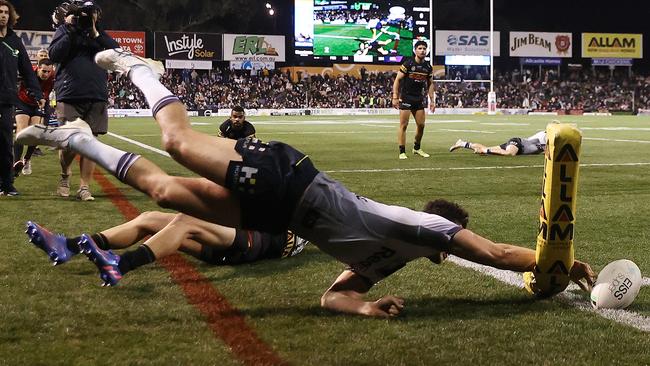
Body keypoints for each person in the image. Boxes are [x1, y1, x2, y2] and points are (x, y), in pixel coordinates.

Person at [17, 49, 595, 312]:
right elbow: (495, 253)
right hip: (293, 182)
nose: (453, 247)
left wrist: (366, 308)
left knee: (165, 193)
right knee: (176, 144)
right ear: (447, 233)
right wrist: (557, 262)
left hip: (280, 215)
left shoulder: (385, 262)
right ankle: (144, 72)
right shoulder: (426, 227)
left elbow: (334, 295)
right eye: (453, 239)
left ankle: (72, 138)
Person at [25, 211, 308, 284]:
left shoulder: (306, 215)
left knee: (183, 222)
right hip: (236, 242)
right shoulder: (317, 217)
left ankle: (120, 265)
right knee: (150, 220)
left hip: (249, 243)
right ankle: (67, 246)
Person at [48, 0, 119, 201]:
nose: (89, 17)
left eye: (93, 13)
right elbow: (54, 54)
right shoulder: (65, 29)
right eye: (87, 14)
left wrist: (96, 32)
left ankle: (84, 187)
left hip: (96, 94)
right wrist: (71, 29)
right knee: (71, 143)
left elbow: (117, 53)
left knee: (90, 143)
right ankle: (65, 174)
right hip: (70, 93)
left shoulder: (100, 35)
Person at [0, 0, 44, 195]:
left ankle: (7, 184)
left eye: (5, 13)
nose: (2, 15)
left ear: (10, 16)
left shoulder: (15, 42)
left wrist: (38, 94)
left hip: (7, 100)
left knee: (6, 143)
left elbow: (27, 70)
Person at [392, 40, 435, 160]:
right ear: (415, 50)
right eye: (420, 48)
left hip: (418, 99)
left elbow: (430, 84)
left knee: (421, 125)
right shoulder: (408, 64)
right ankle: (402, 151)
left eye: (424, 48)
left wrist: (432, 100)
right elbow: (397, 80)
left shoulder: (427, 67)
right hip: (406, 97)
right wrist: (395, 97)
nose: (422, 50)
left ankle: (416, 148)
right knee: (403, 125)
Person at [13, 58, 55, 177]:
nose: (46, 74)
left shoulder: (53, 77)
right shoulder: (28, 73)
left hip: (38, 105)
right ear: (38, 68)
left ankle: (27, 160)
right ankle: (16, 162)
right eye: (44, 71)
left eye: (49, 71)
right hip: (23, 103)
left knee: (35, 134)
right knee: (21, 132)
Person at [449, 130, 547, 156]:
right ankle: (484, 150)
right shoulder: (546, 135)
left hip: (519, 148)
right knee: (509, 153)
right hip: (518, 143)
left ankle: (462, 143)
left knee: (490, 148)